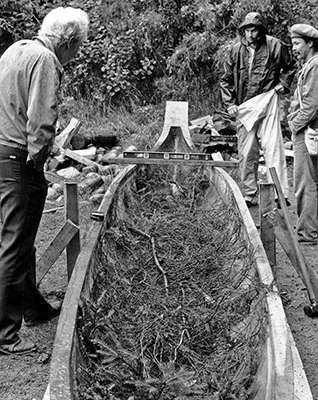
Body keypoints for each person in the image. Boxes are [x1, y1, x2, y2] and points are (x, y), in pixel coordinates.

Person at [0, 7, 89, 355]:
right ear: (67, 42)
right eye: (78, 47)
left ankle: (32, 307)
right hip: (17, 155)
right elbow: (41, 116)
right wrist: (40, 158)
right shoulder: (46, 60)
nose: (77, 54)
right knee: (15, 242)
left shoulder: (15, 49)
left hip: (2, 149)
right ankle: (6, 335)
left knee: (20, 237)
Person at [220, 12, 296, 207]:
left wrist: (283, 84)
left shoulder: (275, 45)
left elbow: (290, 67)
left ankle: (280, 193)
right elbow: (226, 80)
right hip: (245, 108)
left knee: (274, 147)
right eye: (247, 30)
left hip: (267, 103)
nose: (250, 34)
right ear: (243, 31)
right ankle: (249, 193)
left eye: (254, 30)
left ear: (260, 31)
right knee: (247, 152)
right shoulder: (235, 51)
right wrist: (230, 104)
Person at [288, 24, 318, 244]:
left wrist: (293, 125)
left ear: (310, 43)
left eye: (297, 43)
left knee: (304, 183)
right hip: (309, 129)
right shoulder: (310, 65)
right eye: (292, 43)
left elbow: (311, 106)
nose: (294, 48)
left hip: (307, 131)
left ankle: (307, 233)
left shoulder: (315, 66)